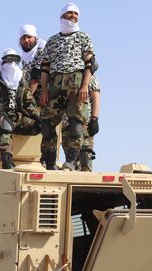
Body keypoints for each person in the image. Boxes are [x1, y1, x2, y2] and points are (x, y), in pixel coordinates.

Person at [38, 2, 96, 170]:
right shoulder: (52, 40)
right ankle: (49, 163)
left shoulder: (83, 37)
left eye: (76, 14)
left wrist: (85, 85)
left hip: (76, 82)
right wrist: (43, 90)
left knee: (76, 125)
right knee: (48, 126)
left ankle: (70, 162)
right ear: (62, 16)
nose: (73, 16)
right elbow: (45, 67)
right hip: (55, 84)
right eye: (70, 13)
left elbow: (90, 64)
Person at [0, 49, 41, 169]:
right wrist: (2, 114)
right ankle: (7, 159)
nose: (12, 64)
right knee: (5, 124)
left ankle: (48, 159)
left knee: (41, 126)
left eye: (15, 60)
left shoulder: (20, 80)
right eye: (9, 60)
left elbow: (28, 100)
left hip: (18, 118)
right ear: (3, 62)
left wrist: (37, 117)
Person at [61, 75, 100, 171]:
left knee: (85, 160)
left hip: (85, 125)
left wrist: (94, 119)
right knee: (71, 163)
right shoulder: (64, 74)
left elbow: (96, 98)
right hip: (67, 125)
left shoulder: (90, 77)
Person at [19, 24, 47, 90]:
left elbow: (35, 78)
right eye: (23, 38)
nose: (26, 40)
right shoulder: (24, 55)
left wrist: (27, 98)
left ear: (35, 38)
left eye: (29, 37)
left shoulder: (41, 50)